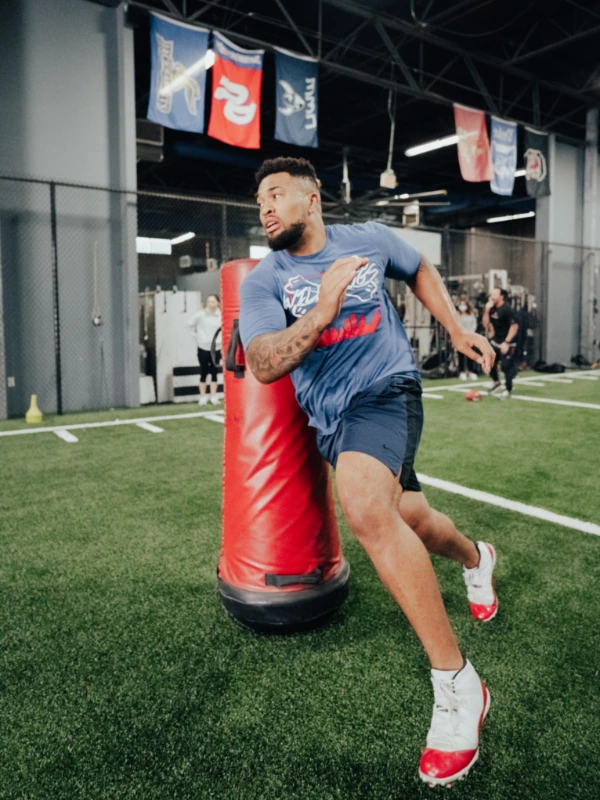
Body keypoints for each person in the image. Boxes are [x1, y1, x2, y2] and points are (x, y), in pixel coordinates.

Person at [239, 157, 498, 787]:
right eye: (260, 201)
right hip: (333, 421)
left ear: (312, 197)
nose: (266, 207)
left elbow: (418, 267)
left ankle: (459, 685)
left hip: (386, 390)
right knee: (413, 519)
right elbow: (264, 363)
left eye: (277, 194)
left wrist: (456, 327)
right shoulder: (263, 280)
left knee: (362, 504)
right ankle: (474, 558)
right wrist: (322, 309)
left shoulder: (368, 240)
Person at [482, 288, 519, 399]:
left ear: (501, 296)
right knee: (489, 361)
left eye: (495, 294)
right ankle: (496, 382)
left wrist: (506, 342)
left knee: (506, 366)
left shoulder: (507, 309)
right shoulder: (491, 309)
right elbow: (485, 324)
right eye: (491, 294)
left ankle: (508, 389)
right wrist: (486, 310)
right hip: (496, 340)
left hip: (508, 342)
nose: (492, 296)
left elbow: (514, 326)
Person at [187, 294, 222, 406]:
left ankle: (213, 396)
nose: (210, 304)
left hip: (216, 347)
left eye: (213, 301)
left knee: (214, 372)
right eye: (208, 302)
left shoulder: (221, 315)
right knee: (203, 371)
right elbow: (189, 324)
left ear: (218, 303)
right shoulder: (201, 314)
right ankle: (202, 397)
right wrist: (197, 337)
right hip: (203, 347)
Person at [456, 299, 478, 380]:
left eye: (464, 304)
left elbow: (474, 324)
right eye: (461, 304)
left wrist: (470, 333)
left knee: (471, 355)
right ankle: (462, 372)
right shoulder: (457, 315)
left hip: (470, 337)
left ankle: (470, 371)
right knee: (461, 355)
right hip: (461, 337)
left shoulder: (471, 315)